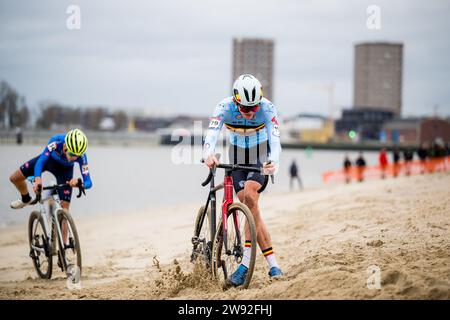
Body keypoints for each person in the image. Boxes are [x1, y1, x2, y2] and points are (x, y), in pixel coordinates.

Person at [203, 74, 282, 286]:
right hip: (236, 154)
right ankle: (273, 264)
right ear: (236, 101)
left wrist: (273, 160)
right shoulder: (223, 107)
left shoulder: (268, 108)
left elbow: (275, 141)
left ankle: (245, 265)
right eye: (245, 108)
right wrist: (208, 153)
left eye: (254, 108)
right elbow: (211, 134)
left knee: (250, 195)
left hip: (260, 155)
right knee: (251, 207)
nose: (250, 112)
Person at [9, 128, 92, 211]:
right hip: (48, 161)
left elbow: (88, 182)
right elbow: (41, 161)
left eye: (77, 156)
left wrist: (80, 184)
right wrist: (38, 179)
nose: (74, 158)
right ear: (65, 145)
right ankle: (26, 199)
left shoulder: (82, 156)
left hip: (65, 170)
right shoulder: (56, 142)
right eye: (72, 154)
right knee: (14, 178)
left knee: (65, 209)